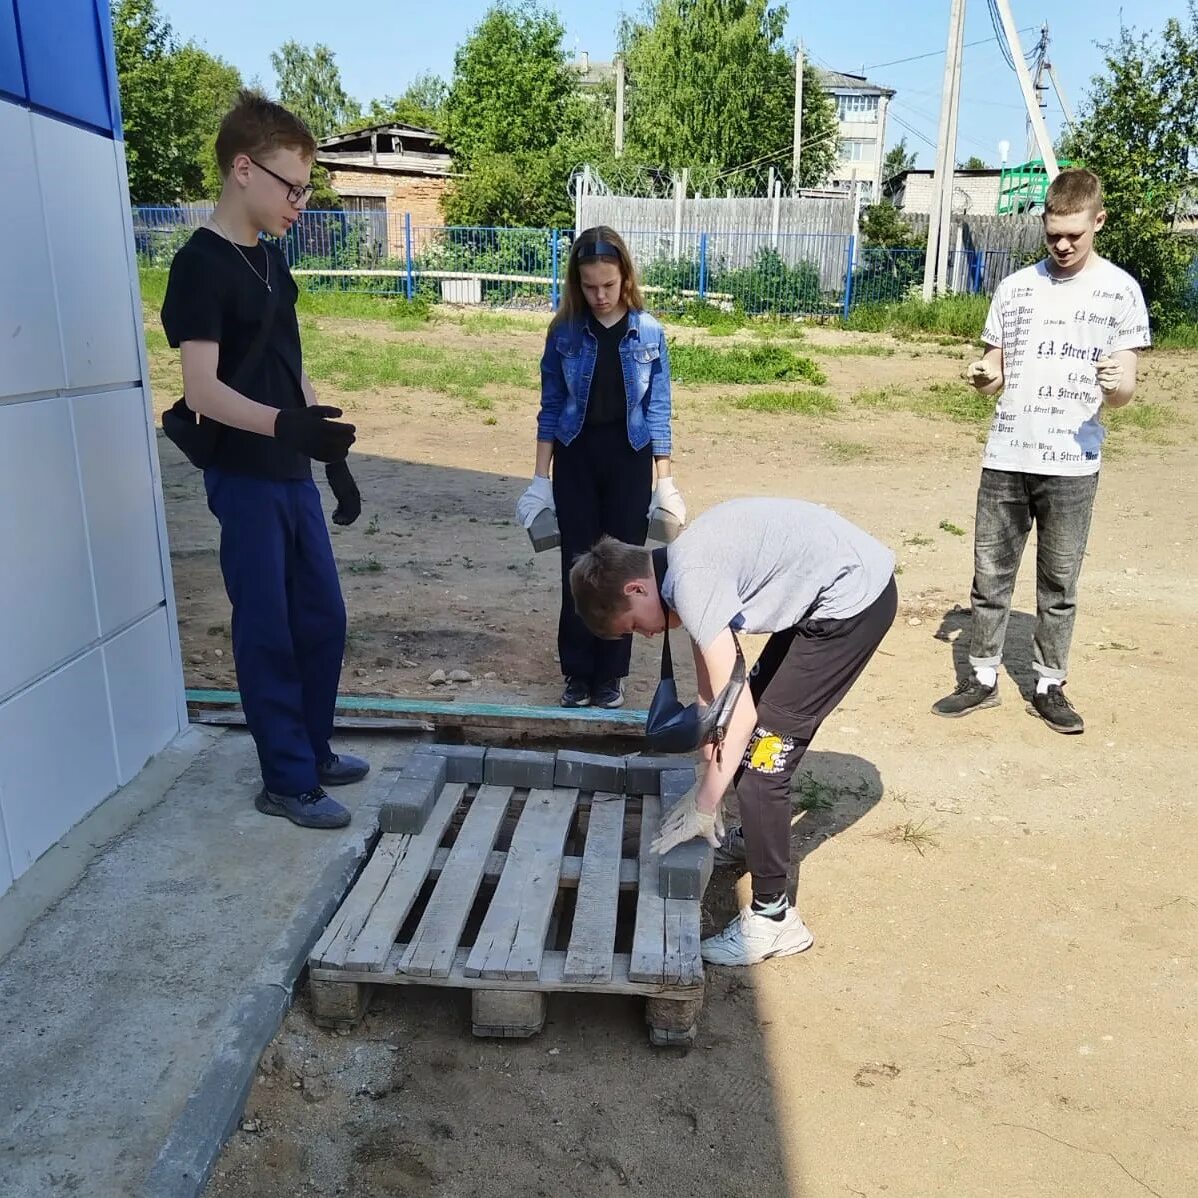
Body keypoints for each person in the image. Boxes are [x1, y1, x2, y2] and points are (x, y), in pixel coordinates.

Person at [569, 498, 897, 967]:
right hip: (824, 589)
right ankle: (752, 837)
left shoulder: (693, 581)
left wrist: (705, 804)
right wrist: (709, 776)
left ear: (636, 588)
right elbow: (714, 696)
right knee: (744, 742)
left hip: (852, 603)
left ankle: (774, 918)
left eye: (635, 626)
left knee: (763, 763)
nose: (645, 636)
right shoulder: (679, 571)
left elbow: (739, 720)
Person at [161, 90, 369, 829]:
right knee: (268, 628)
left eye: (306, 190)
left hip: (290, 471)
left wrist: (328, 452)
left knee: (323, 619)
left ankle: (311, 751)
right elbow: (201, 389)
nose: (300, 205)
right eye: (293, 188)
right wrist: (285, 427)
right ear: (244, 169)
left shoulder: (273, 261)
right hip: (244, 477)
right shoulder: (199, 266)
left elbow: (287, 360)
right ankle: (285, 779)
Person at [932, 168, 1150, 734]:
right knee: (989, 575)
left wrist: (1116, 386)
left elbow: (1125, 390)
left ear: (1098, 221)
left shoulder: (1120, 291)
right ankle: (981, 677)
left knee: (1058, 582)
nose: (1063, 245)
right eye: (1054, 234)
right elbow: (994, 370)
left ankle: (1050, 684)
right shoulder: (1015, 289)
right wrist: (985, 376)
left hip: (1072, 465)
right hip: (1007, 455)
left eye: (1074, 234)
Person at [515, 227, 685, 710]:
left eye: (608, 284)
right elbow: (551, 406)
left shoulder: (649, 332)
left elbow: (658, 410)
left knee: (625, 567)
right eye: (589, 286)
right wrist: (540, 480)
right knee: (579, 567)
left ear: (625, 277)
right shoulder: (564, 331)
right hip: (577, 457)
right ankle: (577, 673)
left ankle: (611, 675)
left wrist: (665, 481)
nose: (600, 296)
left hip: (630, 459)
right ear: (577, 284)